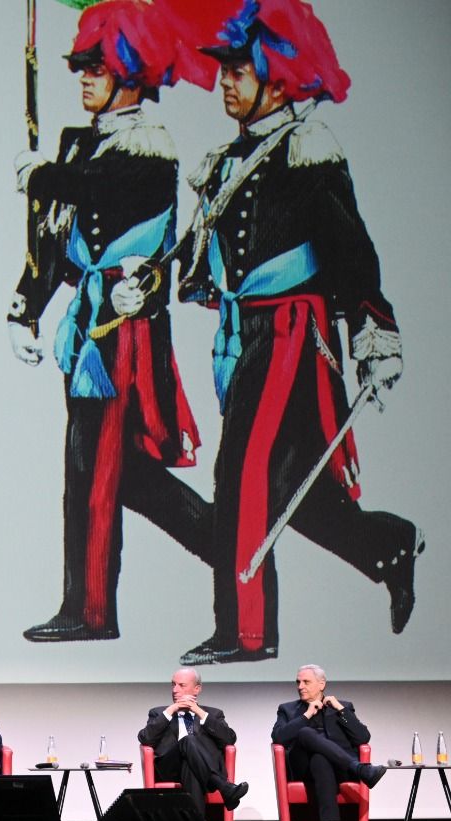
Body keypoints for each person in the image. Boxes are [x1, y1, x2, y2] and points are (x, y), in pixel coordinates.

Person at [173, 0, 421, 665]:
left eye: (239, 71)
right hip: (247, 334)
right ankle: (389, 545)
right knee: (298, 491)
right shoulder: (228, 160)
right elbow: (209, 254)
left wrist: (374, 329)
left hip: (291, 334)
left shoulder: (308, 150)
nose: (225, 83)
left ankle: (246, 632)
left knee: (243, 473)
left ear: (280, 80)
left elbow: (351, 249)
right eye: (223, 70)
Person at [9, 0, 216, 644]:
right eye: (82, 68)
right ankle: (228, 545)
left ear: (131, 75)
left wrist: (43, 176)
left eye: (97, 68)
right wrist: (25, 307)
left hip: (124, 332)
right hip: (88, 328)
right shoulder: (81, 144)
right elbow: (54, 241)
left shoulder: (148, 146)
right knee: (105, 469)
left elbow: (97, 191)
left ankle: (91, 611)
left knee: (96, 468)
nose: (84, 79)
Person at [272, 664, 385, 821]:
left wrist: (340, 709)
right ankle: (359, 768)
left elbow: (362, 737)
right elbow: (279, 737)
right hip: (304, 768)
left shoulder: (343, 707)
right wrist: (306, 715)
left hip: (338, 769)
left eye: (306, 682)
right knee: (305, 733)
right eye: (298, 682)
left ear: (322, 684)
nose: (300, 686)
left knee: (320, 759)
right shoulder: (288, 709)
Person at [137, 666, 248, 820]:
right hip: (170, 769)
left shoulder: (213, 714)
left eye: (181, 685)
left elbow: (229, 739)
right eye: (173, 685)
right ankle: (223, 787)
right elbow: (146, 738)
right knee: (188, 740)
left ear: (197, 689)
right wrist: (172, 709)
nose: (175, 690)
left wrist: (199, 712)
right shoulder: (159, 713)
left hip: (201, 769)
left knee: (191, 766)